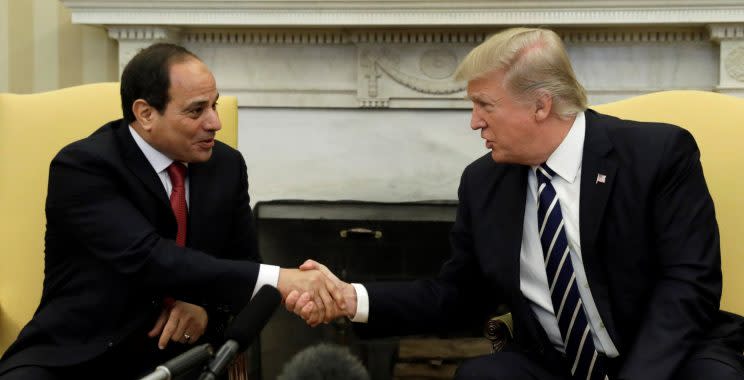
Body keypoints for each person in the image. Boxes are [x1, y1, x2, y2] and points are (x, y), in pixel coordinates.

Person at [287, 28, 744, 380]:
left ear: (541, 106)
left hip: (666, 356)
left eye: (485, 105)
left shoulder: (657, 155)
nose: (473, 123)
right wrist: (351, 298)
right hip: (559, 364)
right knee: (482, 375)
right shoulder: (485, 183)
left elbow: (689, 284)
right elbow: (456, 296)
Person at [0, 43, 343, 380]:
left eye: (215, 105)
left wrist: (207, 314)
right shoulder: (84, 167)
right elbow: (149, 258)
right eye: (196, 111)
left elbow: (242, 267)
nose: (215, 123)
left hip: (185, 359)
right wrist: (282, 279)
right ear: (146, 113)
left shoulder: (226, 165)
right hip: (78, 356)